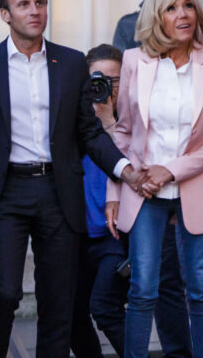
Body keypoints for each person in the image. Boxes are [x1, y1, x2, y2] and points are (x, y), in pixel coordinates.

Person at [0, 0, 140, 358]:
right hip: (4, 190)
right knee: (4, 291)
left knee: (58, 299)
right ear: (5, 13)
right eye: (24, 4)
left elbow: (89, 132)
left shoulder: (69, 63)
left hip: (58, 189)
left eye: (40, 3)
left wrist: (124, 169)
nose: (35, 11)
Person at [105, 0, 203, 358]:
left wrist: (171, 170)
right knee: (143, 289)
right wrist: (116, 191)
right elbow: (123, 131)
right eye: (171, 8)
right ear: (155, 17)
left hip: (196, 189)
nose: (182, 15)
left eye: (188, 6)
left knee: (202, 288)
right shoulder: (133, 61)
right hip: (143, 191)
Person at [70, 44, 193, 358]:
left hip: (121, 236)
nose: (106, 87)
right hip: (81, 233)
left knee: (108, 304)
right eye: (97, 80)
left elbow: (134, 168)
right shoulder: (72, 123)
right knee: (71, 312)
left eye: (115, 80)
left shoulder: (142, 120)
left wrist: (109, 119)